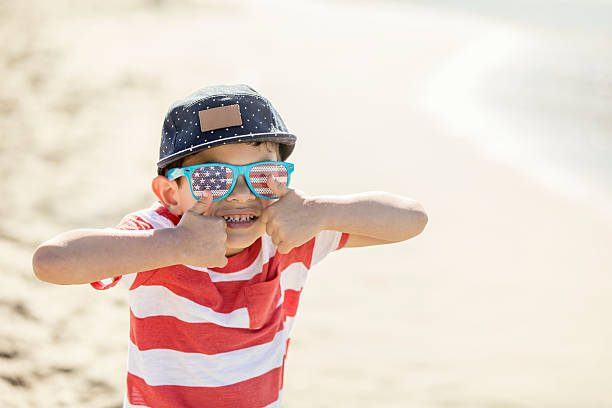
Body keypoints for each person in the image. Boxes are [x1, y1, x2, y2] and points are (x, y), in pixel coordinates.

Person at [32, 84, 428, 408]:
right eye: (211, 179)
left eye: (264, 175)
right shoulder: (155, 236)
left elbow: (411, 219)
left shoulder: (288, 233)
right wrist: (176, 246)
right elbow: (53, 261)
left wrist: (319, 211)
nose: (241, 194)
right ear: (171, 194)